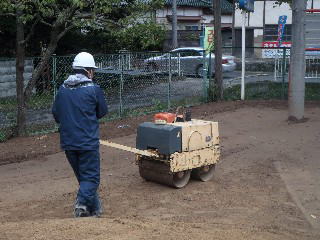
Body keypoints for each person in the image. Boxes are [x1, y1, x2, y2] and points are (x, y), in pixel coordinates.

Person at [52, 52, 108, 217]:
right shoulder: (94, 89)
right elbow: (102, 111)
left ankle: (95, 210)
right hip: (87, 142)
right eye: (93, 70)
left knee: (84, 178)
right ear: (88, 71)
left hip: (68, 143)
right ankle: (81, 205)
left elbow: (56, 113)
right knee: (91, 179)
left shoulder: (62, 89)